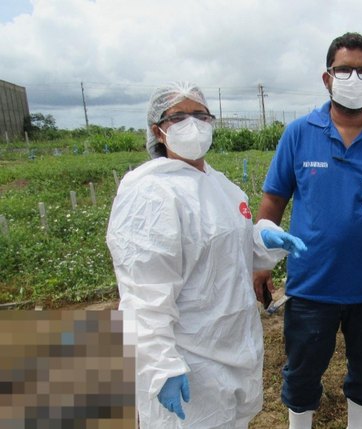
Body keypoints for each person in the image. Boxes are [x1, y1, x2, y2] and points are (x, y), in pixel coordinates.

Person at [106, 81, 307, 428]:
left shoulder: (221, 186)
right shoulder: (151, 192)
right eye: (178, 116)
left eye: (200, 115)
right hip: (188, 360)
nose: (193, 124)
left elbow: (229, 253)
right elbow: (143, 294)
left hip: (230, 349)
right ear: (158, 130)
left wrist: (264, 240)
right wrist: (161, 364)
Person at [254, 32, 362, 429]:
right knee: (301, 372)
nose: (353, 77)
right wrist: (260, 263)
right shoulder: (299, 133)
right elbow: (273, 200)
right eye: (344, 69)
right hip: (312, 283)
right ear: (327, 78)